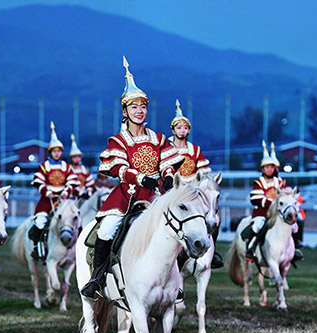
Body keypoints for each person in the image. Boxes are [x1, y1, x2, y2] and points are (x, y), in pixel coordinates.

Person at [80, 56, 184, 300]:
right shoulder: (118, 140)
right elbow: (117, 167)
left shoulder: (158, 138)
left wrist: (167, 177)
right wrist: (140, 178)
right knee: (107, 230)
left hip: (154, 198)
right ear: (125, 111)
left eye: (143, 106)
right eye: (134, 107)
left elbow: (167, 162)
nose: (140, 111)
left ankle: (174, 284)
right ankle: (97, 278)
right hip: (125, 197)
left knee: (175, 232)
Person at [168, 99, 223, 269]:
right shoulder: (166, 147)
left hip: (192, 191)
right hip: (173, 190)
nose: (182, 130)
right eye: (179, 127)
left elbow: (204, 171)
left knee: (213, 218)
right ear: (173, 129)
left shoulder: (195, 150)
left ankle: (210, 251)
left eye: (185, 127)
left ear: (188, 130)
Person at [244, 141, 303, 263]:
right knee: (257, 226)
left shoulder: (280, 182)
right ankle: (250, 249)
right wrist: (271, 202)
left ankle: (295, 248)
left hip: (278, 213)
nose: (269, 169)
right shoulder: (259, 182)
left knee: (295, 225)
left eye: (272, 167)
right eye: (267, 167)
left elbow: (287, 195)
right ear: (263, 168)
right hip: (262, 213)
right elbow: (255, 198)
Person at [28, 122, 78, 259]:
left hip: (63, 200)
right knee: (40, 222)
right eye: (55, 151)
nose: (57, 153)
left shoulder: (66, 167)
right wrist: (46, 191)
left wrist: (66, 191)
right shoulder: (44, 166)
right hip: (47, 200)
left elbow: (72, 181)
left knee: (74, 219)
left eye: (59, 151)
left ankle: (76, 248)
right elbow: (38, 181)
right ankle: (36, 247)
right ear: (50, 152)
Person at [69, 134, 95, 201]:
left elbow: (90, 182)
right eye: (74, 157)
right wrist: (79, 192)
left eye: (78, 157)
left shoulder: (84, 170)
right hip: (71, 197)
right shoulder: (69, 170)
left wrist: (89, 191)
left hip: (85, 196)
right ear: (71, 158)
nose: (77, 159)